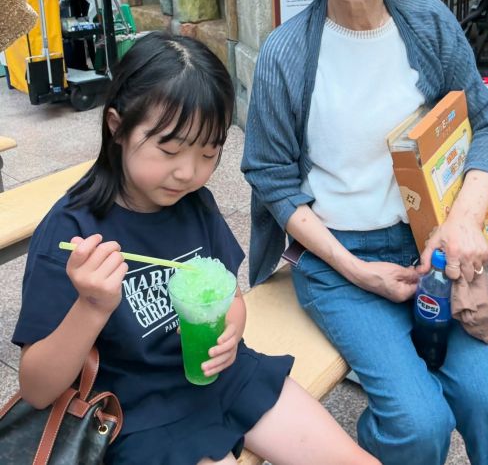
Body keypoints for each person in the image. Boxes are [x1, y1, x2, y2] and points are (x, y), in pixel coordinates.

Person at [241, 0, 488, 465]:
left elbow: (486, 123)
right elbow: (271, 178)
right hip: (338, 258)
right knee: (418, 423)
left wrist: (463, 224)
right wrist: (355, 269)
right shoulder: (285, 54)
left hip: (432, 247)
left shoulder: (428, 22)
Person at [12, 31, 379, 465]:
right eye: (170, 149)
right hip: (140, 413)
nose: (188, 173)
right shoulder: (73, 232)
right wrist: (91, 307)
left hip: (225, 377)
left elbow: (230, 298)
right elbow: (37, 390)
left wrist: (232, 331)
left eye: (208, 153)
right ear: (117, 127)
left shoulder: (195, 205)